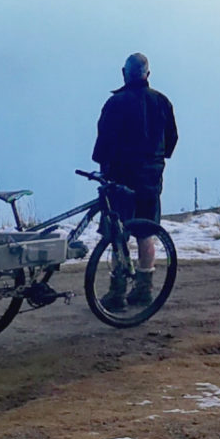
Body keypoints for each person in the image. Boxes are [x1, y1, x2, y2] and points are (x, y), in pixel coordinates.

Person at [91, 52, 177, 310]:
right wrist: (156, 159)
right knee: (146, 232)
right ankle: (144, 289)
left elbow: (103, 142)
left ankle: (117, 292)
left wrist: (102, 165)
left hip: (120, 179)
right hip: (151, 178)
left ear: (123, 73)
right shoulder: (162, 102)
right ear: (147, 74)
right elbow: (172, 139)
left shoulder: (116, 103)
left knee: (118, 233)